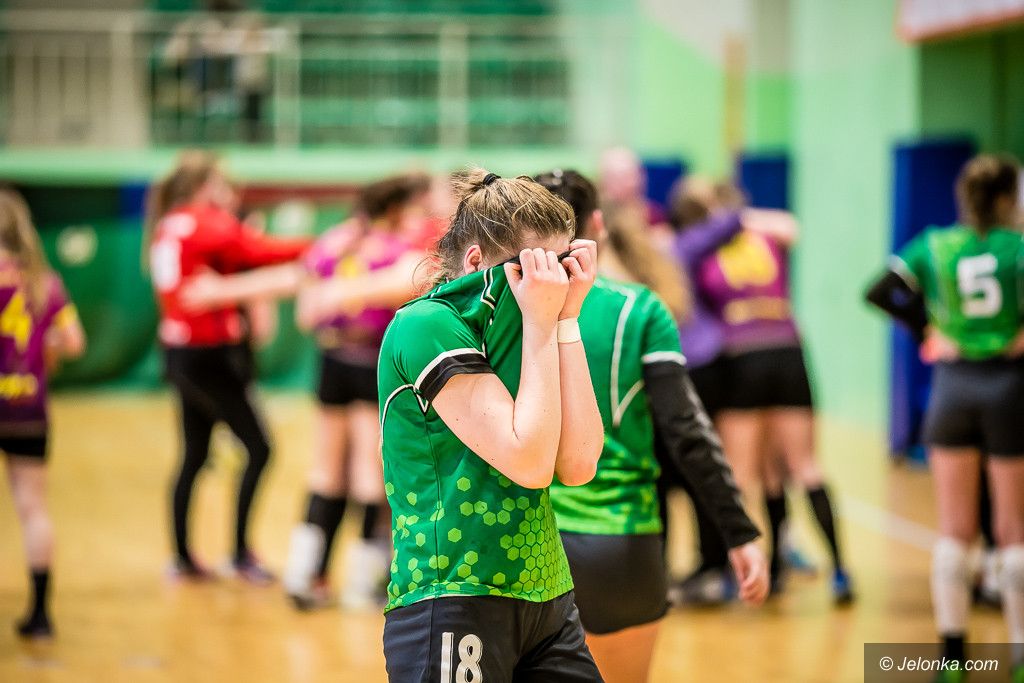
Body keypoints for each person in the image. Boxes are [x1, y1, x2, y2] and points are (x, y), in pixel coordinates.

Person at [534, 169, 768, 683]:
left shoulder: (500, 311)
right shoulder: (639, 309)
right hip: (621, 542)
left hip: (525, 542)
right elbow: (686, 429)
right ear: (598, 224)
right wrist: (739, 531)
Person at [378, 169, 605, 681]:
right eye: (532, 268)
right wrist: (542, 324)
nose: (550, 284)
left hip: (546, 592)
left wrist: (566, 320)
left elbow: (578, 464)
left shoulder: (531, 323)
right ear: (476, 261)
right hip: (454, 592)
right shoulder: (426, 324)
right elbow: (529, 462)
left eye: (561, 267)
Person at [866, 154, 1024, 679]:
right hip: (1009, 387)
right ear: (1008, 198)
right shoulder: (1017, 248)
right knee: (1013, 531)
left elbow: (878, 289)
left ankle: (952, 657)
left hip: (952, 389)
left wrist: (927, 329)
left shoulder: (935, 245)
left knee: (955, 531)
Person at [676, 178, 854, 603]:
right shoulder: (764, 235)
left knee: (742, 474)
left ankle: (734, 571)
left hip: (741, 357)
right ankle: (838, 571)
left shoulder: (702, 246)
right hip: (788, 350)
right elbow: (791, 228)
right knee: (800, 467)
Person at [145, 151, 310, 583]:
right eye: (221, 183)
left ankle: (183, 558)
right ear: (204, 186)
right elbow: (261, 250)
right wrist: (320, 249)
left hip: (182, 353)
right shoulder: (203, 221)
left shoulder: (170, 224)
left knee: (195, 453)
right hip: (209, 356)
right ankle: (238, 555)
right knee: (259, 448)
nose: (228, 191)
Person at [283, 173, 431, 610]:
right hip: (372, 362)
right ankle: (362, 583)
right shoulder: (399, 251)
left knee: (325, 470)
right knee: (369, 472)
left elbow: (305, 316)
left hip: (331, 359)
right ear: (397, 209)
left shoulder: (334, 244)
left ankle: (304, 572)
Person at [0, 189, 86, 638]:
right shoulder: (43, 283)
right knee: (33, 508)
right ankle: (39, 614)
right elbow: (74, 342)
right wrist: (44, 346)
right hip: (29, 409)